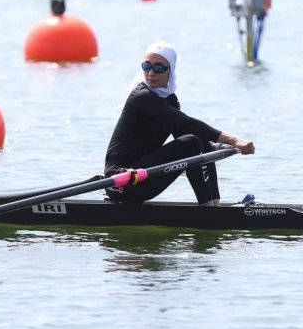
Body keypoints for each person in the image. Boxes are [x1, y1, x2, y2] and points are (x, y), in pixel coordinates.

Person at [104, 41, 255, 207]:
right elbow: (187, 124)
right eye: (146, 66)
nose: (151, 73)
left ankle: (214, 205)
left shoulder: (170, 100)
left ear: (171, 71)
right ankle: (209, 211)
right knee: (191, 142)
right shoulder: (142, 97)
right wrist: (234, 141)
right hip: (121, 182)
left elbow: (188, 133)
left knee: (199, 141)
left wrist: (216, 148)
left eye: (159, 68)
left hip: (142, 177)